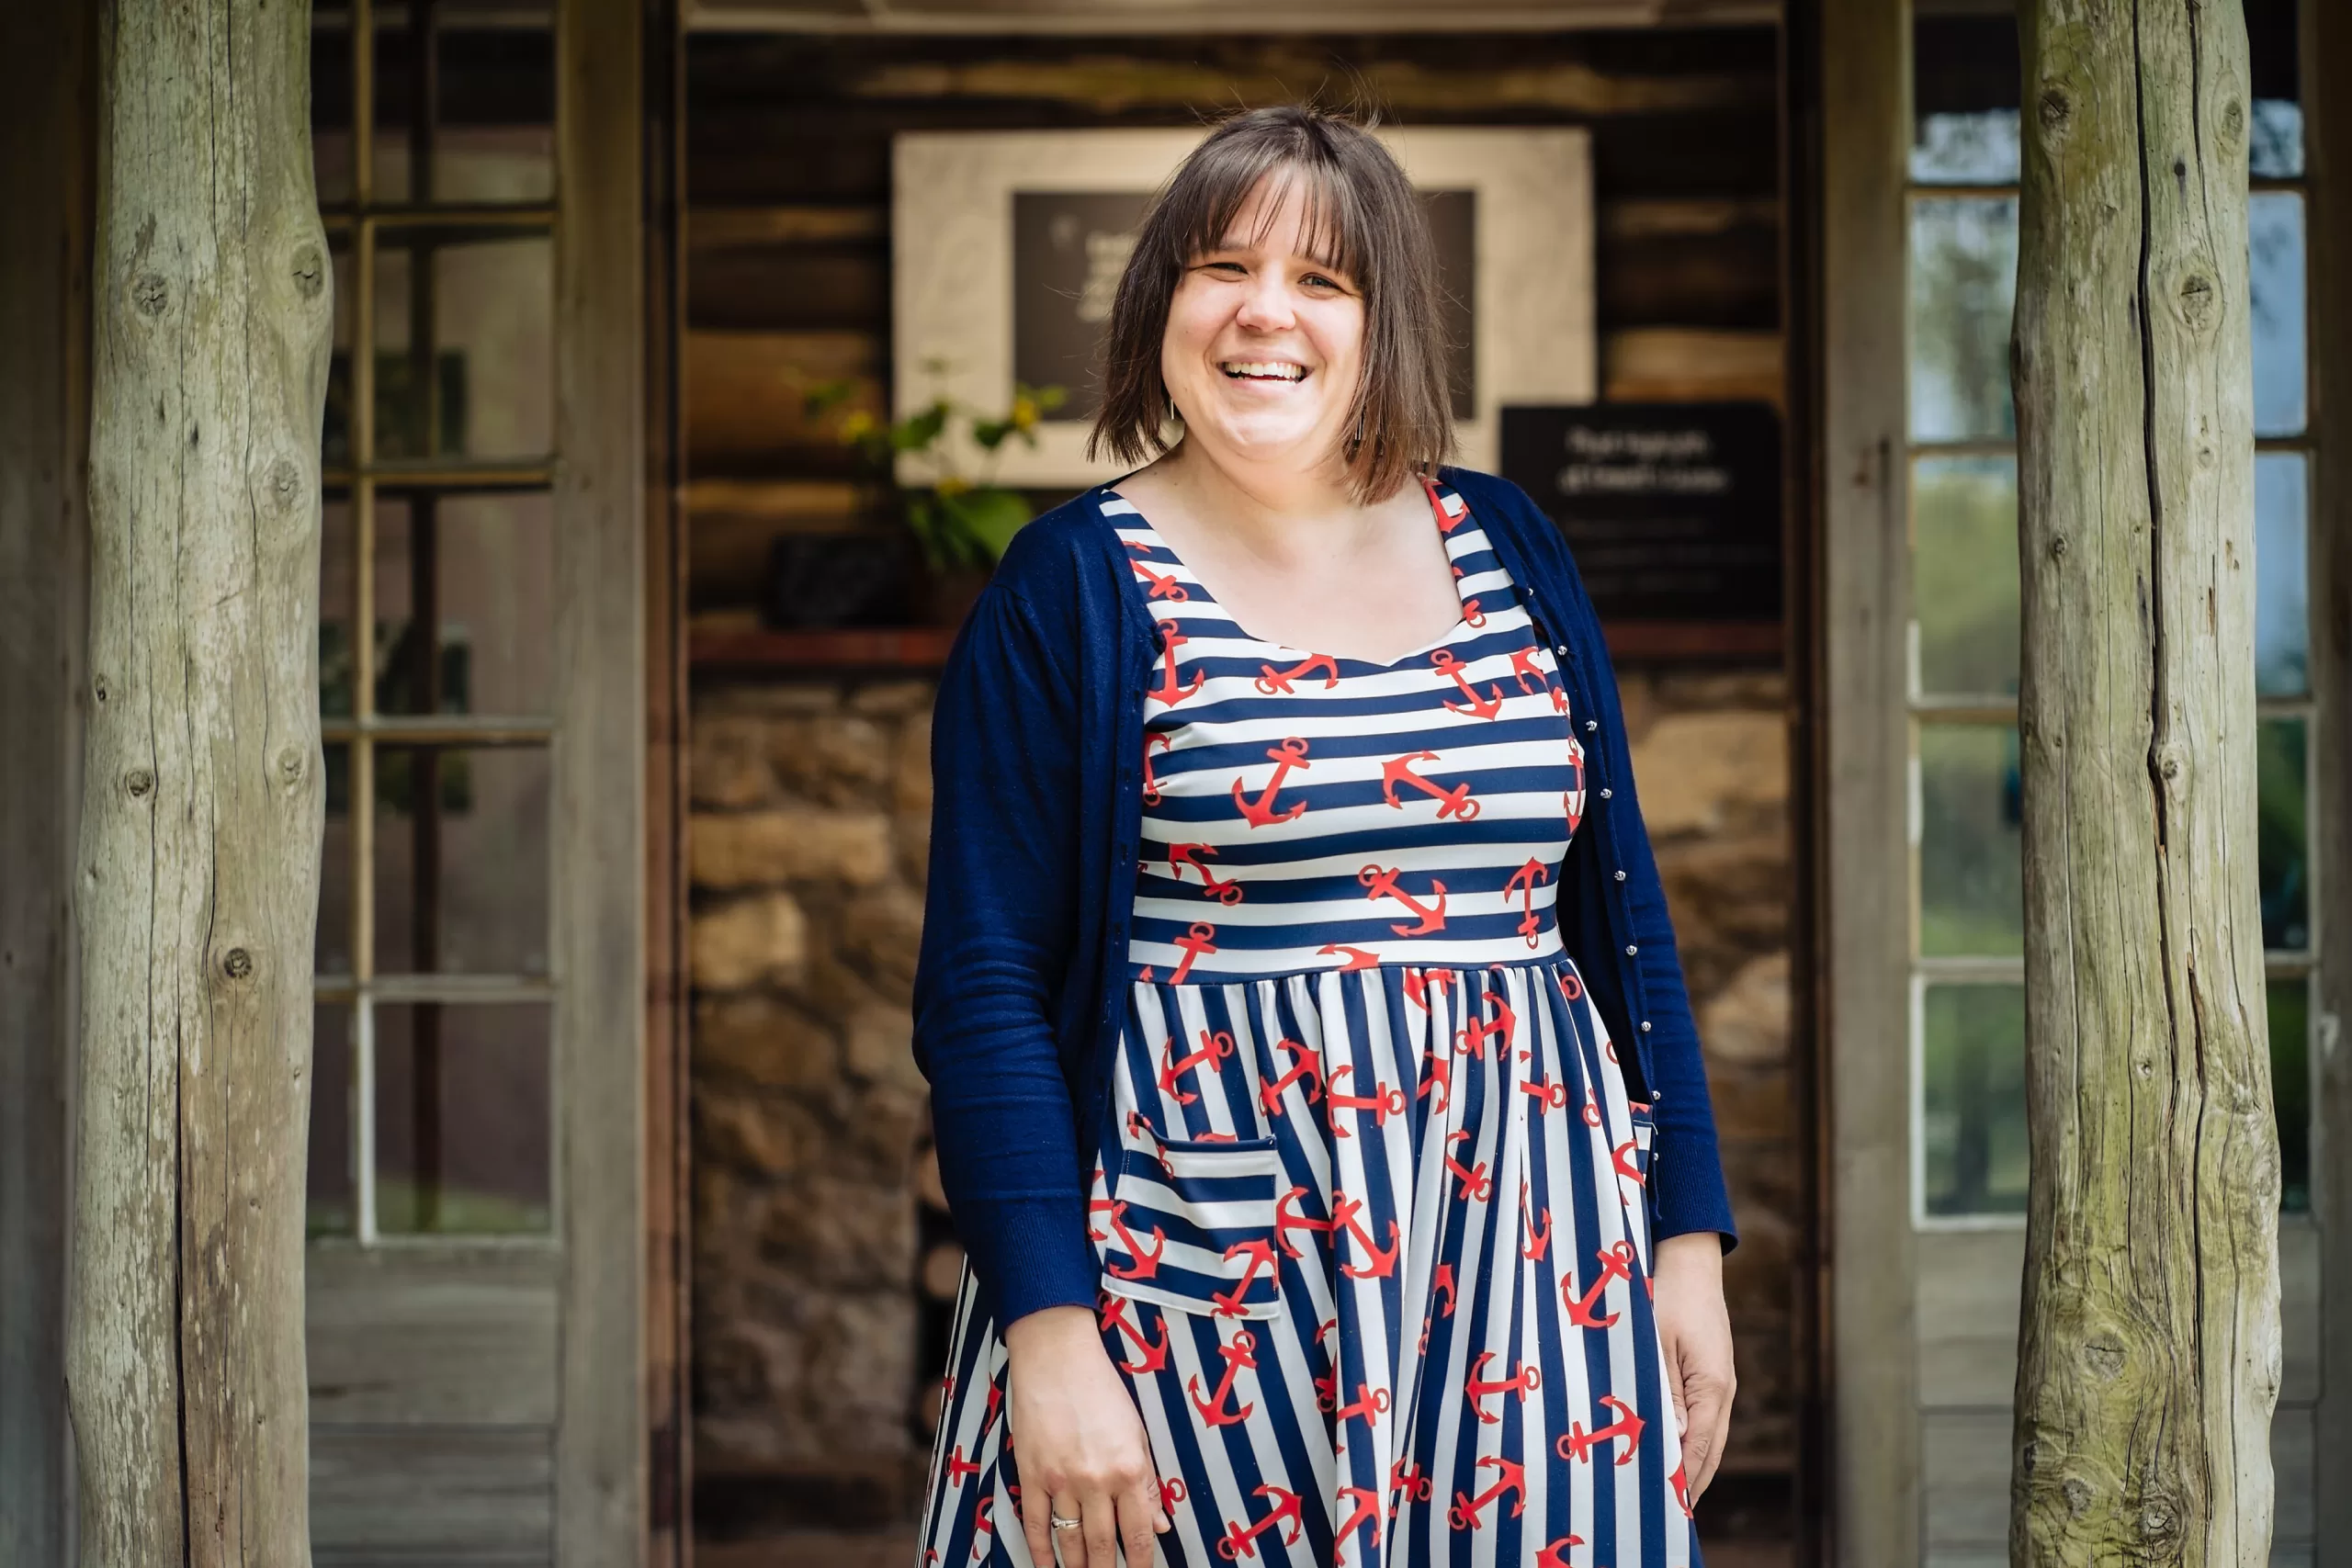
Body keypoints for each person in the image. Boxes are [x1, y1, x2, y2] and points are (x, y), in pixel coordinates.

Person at [912, 104, 1736, 1568]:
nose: (1262, 314)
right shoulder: (1068, 587)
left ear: (1384, 324)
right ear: (1159, 298)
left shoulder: (1512, 543)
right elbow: (982, 992)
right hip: (1191, 1279)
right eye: (1220, 267)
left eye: (1324, 281)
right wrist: (1050, 1337)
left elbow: (1621, 917)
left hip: (1535, 1266)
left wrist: (1685, 1240)